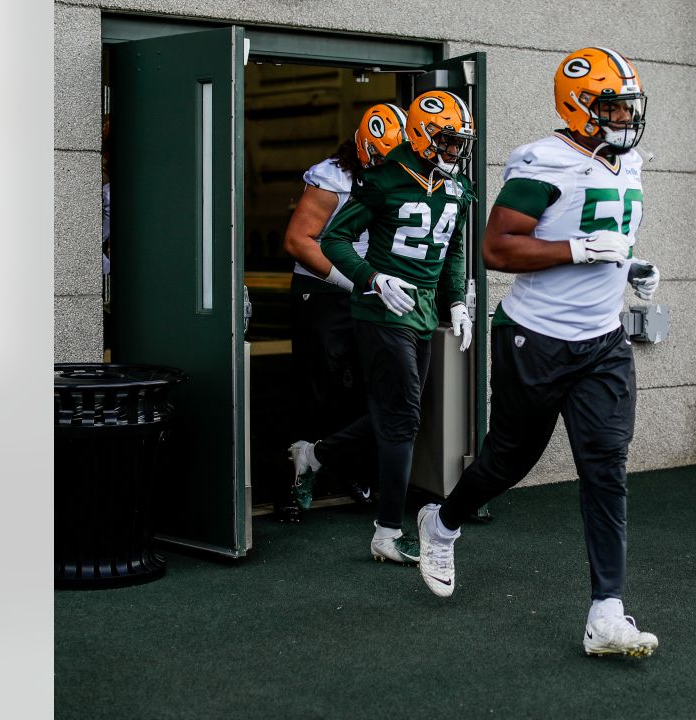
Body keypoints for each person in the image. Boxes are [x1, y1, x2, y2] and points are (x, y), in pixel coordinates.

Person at [413, 47, 663, 658]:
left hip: (603, 342)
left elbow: (610, 235)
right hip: (536, 338)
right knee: (508, 460)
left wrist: (632, 266)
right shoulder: (543, 160)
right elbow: (497, 248)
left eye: (628, 105)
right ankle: (441, 523)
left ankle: (607, 611)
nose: (624, 118)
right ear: (577, 107)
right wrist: (577, 250)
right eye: (611, 106)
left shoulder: (626, 161)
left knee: (606, 467)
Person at [319, 91, 476, 565]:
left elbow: (452, 252)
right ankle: (387, 531)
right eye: (448, 141)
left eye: (459, 142)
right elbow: (333, 238)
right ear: (423, 136)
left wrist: (457, 304)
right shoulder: (383, 179)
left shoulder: (456, 188)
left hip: (424, 310)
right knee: (403, 416)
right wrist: (372, 277)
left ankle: (316, 454)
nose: (454, 151)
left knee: (399, 412)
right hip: (382, 309)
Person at [281, 103, 408, 520]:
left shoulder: (408, 172)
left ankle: (348, 468)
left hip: (374, 286)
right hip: (325, 288)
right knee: (319, 384)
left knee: (369, 385)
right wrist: (349, 279)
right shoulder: (333, 176)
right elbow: (300, 240)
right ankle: (299, 479)